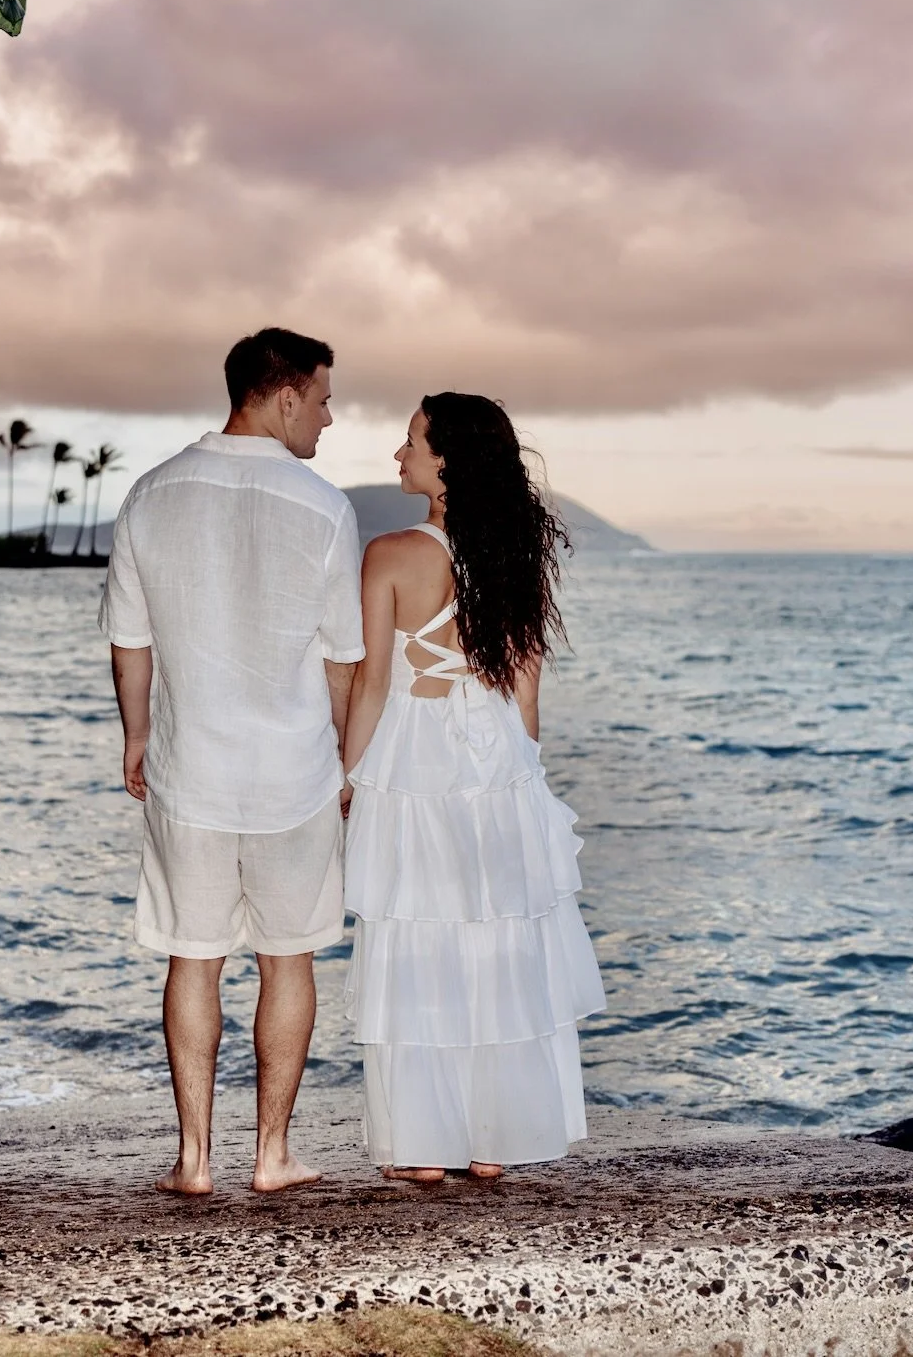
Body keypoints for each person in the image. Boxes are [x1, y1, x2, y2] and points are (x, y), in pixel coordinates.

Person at [101, 327, 365, 1195]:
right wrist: (342, 758)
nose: (328, 418)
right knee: (290, 958)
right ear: (284, 396)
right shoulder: (325, 507)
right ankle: (272, 1156)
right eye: (323, 399)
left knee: (193, 956)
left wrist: (136, 737)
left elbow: (129, 643)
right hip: (293, 773)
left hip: (190, 772)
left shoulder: (150, 494)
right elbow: (341, 660)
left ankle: (193, 1161)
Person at [340, 393, 606, 1181]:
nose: (399, 454)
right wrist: (523, 772)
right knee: (497, 944)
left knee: (420, 941)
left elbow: (373, 684)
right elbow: (526, 691)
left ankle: (423, 1147)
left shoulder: (390, 552)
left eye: (412, 441)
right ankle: (497, 1141)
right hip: (499, 757)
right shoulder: (516, 552)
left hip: (416, 757)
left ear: (449, 459)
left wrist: (350, 778)